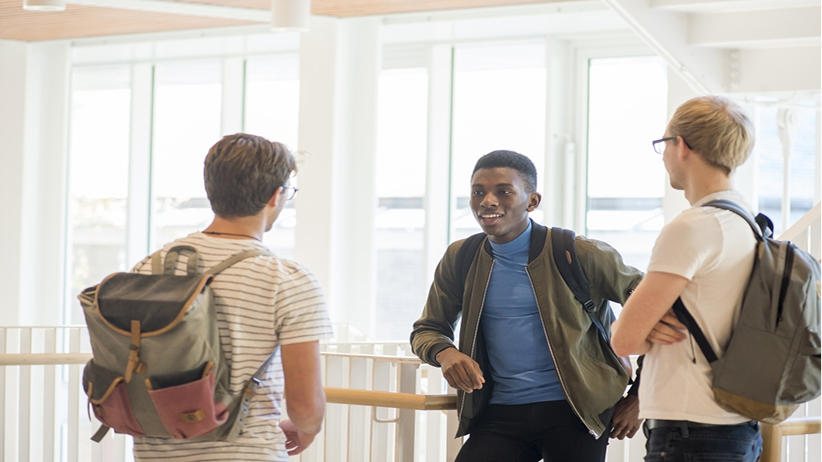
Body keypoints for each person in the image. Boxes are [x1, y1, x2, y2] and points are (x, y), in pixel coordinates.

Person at [410, 150, 645, 462]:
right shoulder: (461, 257)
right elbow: (427, 329)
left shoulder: (579, 253)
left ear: (532, 201)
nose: (487, 201)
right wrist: (446, 353)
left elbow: (663, 312)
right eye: (478, 191)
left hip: (575, 411)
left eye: (503, 191)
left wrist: (642, 396)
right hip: (499, 413)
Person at [130, 133, 333, 461]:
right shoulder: (287, 280)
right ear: (275, 196)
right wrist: (307, 426)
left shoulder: (149, 268)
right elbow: (305, 407)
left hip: (155, 452)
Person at [611, 95, 763, 461]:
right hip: (736, 424)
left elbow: (624, 338)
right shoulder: (747, 220)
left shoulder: (693, 226)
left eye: (662, 144)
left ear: (681, 147)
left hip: (691, 429)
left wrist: (644, 326)